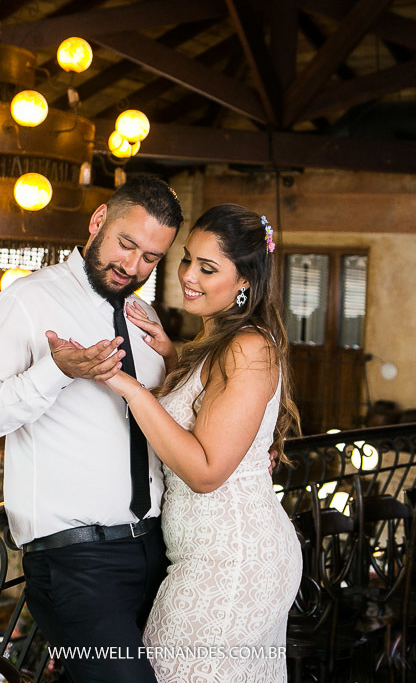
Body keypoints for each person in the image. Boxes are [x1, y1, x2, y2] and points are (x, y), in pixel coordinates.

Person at [0, 174, 183, 683]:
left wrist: (172, 359)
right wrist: (56, 372)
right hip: (78, 564)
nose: (133, 266)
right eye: (127, 244)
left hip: (156, 548)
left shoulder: (143, 314)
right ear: (98, 220)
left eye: (151, 258)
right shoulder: (25, 302)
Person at [94, 203, 303, 683]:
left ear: (244, 281)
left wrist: (129, 386)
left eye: (207, 268)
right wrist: (171, 357)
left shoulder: (250, 347)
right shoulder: (215, 341)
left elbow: (206, 471)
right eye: (188, 259)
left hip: (233, 563)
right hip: (207, 557)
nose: (187, 275)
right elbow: (203, 413)